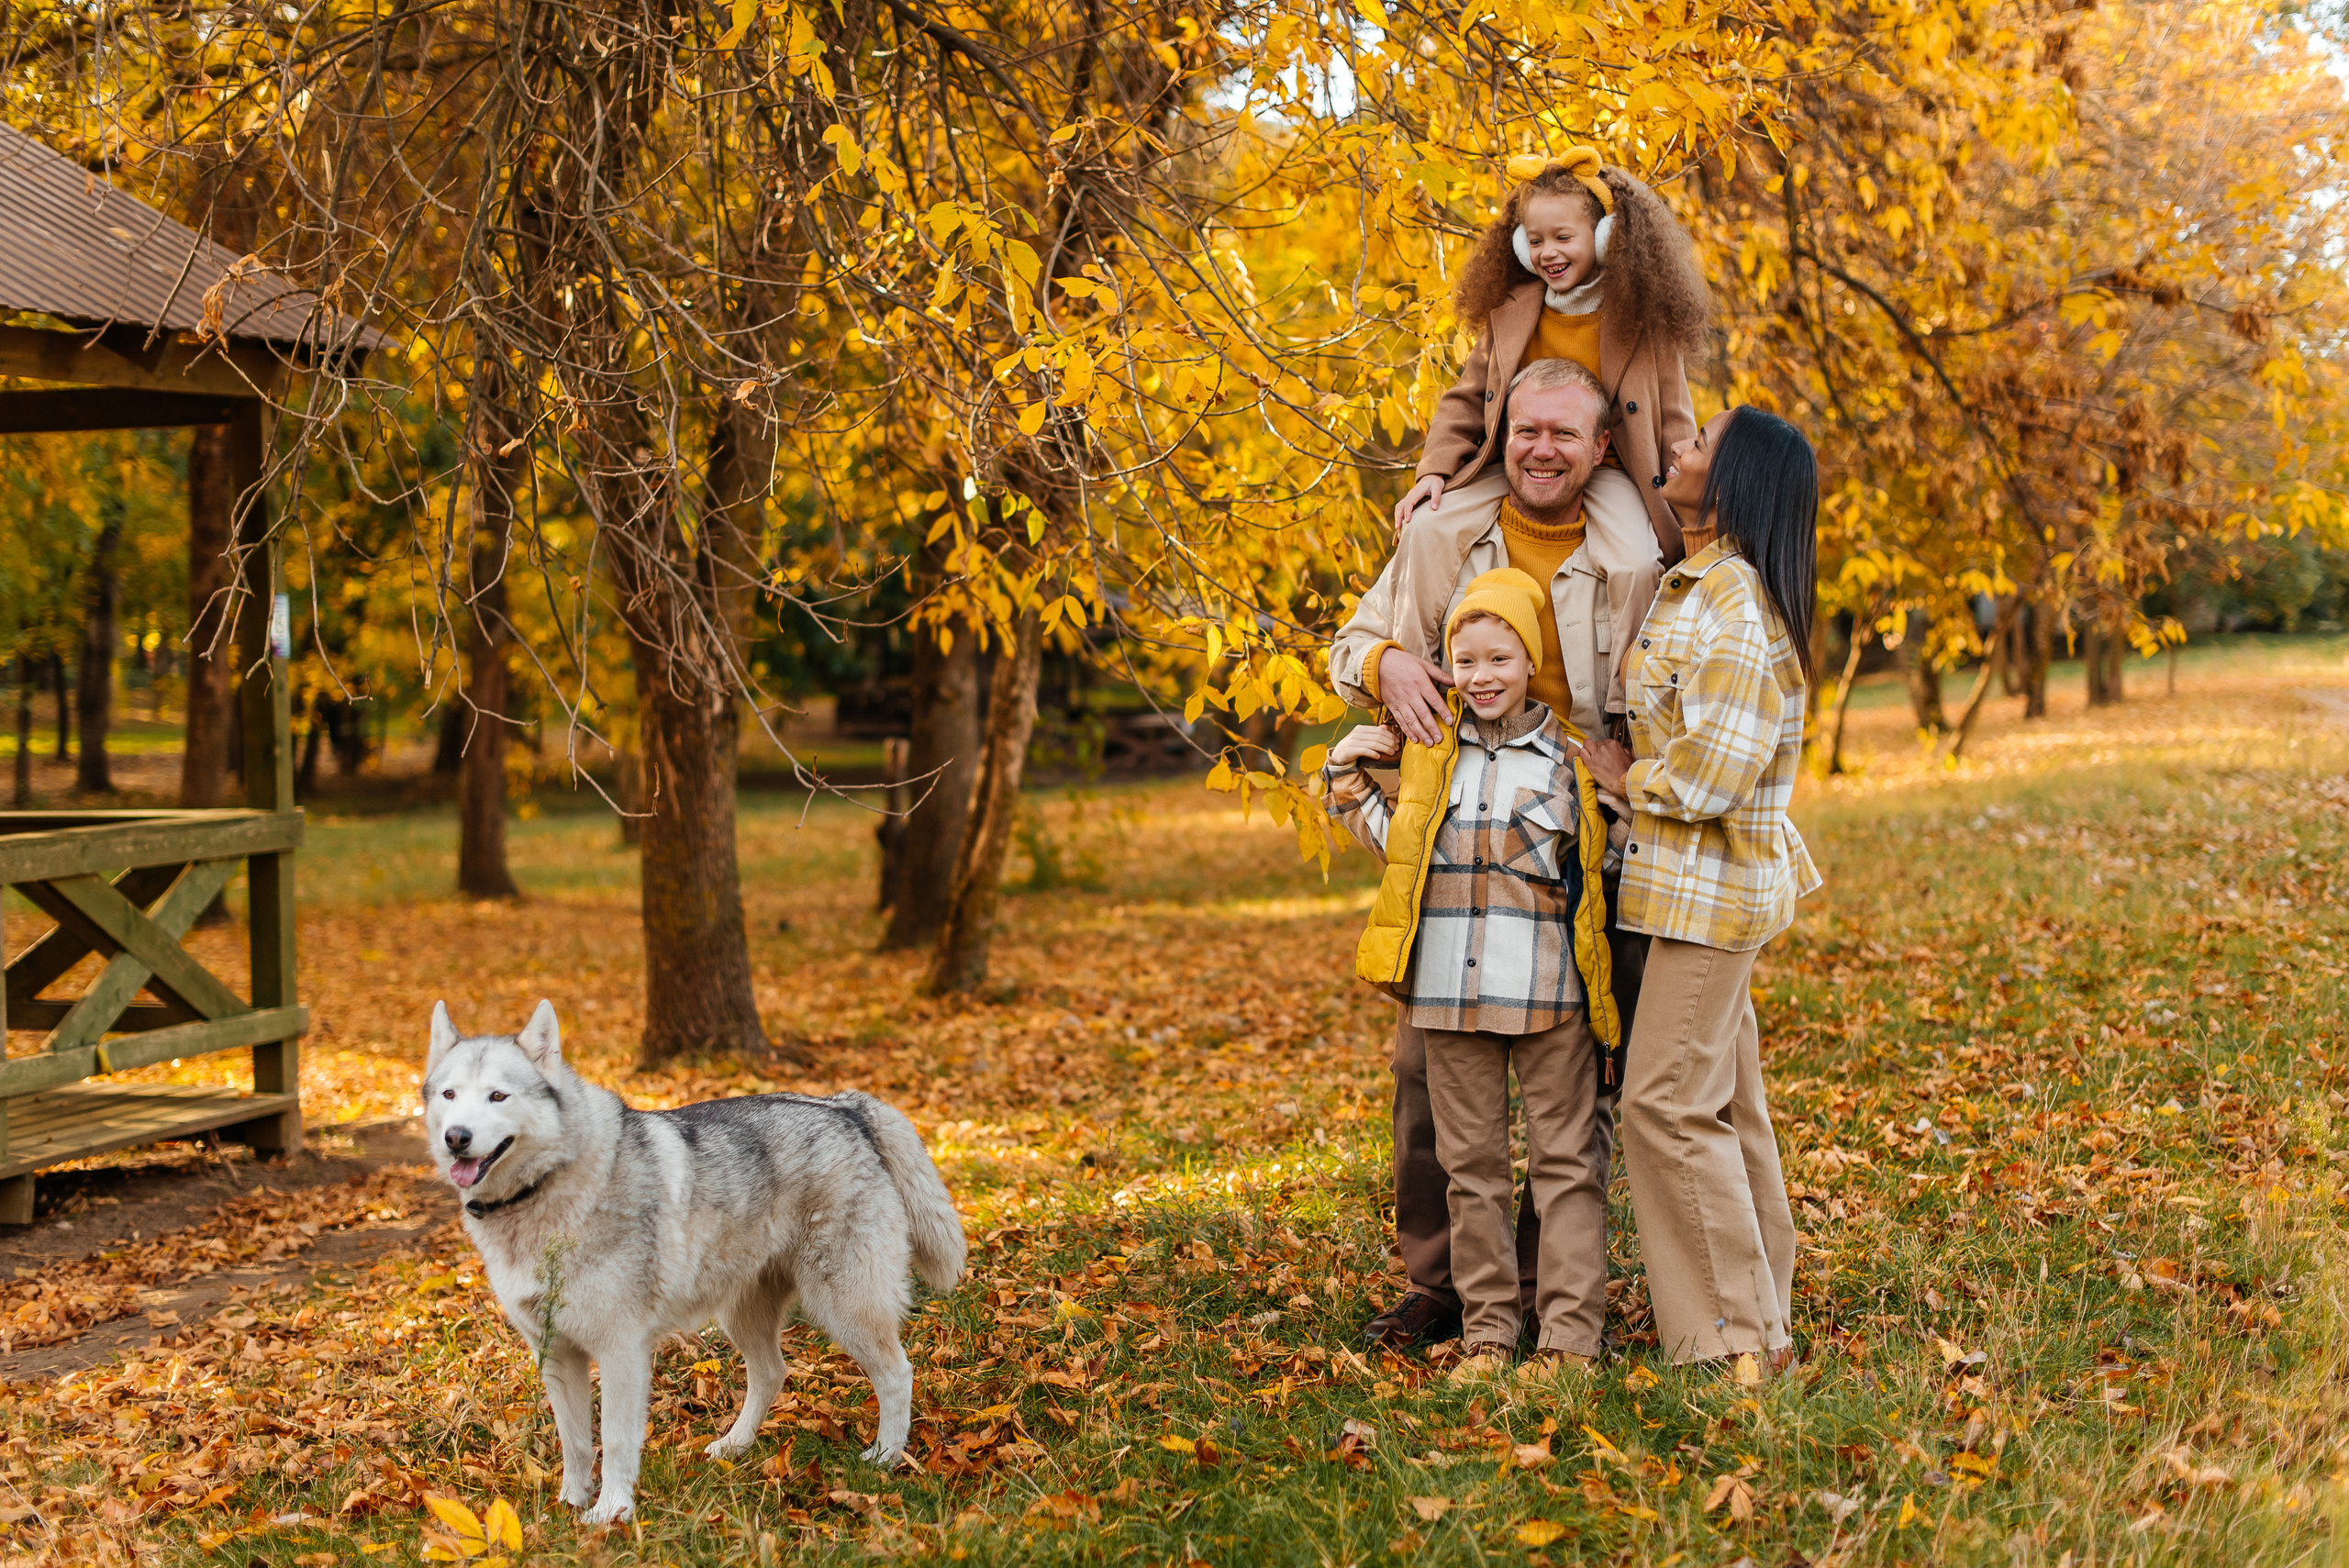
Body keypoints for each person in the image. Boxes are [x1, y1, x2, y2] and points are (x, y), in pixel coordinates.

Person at [1328, 356, 1658, 1352]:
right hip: (1456, 838)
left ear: (1602, 446)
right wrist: (1386, 660)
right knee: (1428, 1089)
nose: (1541, 449)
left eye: (1564, 433)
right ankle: (1449, 1291)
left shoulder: (1634, 556)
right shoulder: (1442, 535)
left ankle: (1551, 1303)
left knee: (1576, 1094)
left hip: (1581, 834)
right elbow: (1351, 644)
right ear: (1500, 433)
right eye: (1525, 430)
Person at [1321, 568, 1620, 1383]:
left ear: (1530, 663)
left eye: (1500, 657)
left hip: (1550, 999)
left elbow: (1602, 874)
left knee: (1567, 1168)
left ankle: (1570, 1338)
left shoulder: (1569, 764)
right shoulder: (1430, 757)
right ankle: (1489, 1334)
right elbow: (1397, 850)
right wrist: (1345, 769)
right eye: (1466, 659)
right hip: (1448, 998)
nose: (1482, 676)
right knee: (1472, 1173)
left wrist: (1626, 797)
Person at [1573, 406, 1822, 1378]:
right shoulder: (1701, 585)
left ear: (1732, 485)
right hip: (1689, 887)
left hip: (1707, 898)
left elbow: (1713, 772)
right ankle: (1768, 1320)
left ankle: (1729, 1340)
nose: (1677, 446)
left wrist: (1624, 773)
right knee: (1727, 1103)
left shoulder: (1732, 604)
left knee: (1665, 1104)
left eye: (1700, 444)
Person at [1382, 147, 1711, 671]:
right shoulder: (1512, 311)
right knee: (1425, 529)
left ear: (1605, 239)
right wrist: (1434, 472)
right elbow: (1467, 398)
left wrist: (1690, 502)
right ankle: (1415, 672)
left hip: (1609, 470)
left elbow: (1674, 417)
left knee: (1635, 563)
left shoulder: (1640, 317)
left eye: (1563, 238)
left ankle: (1626, 701)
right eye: (1534, 240)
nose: (1547, 253)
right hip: (1514, 460)